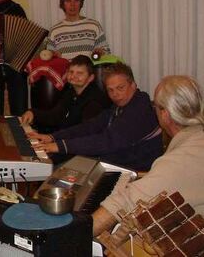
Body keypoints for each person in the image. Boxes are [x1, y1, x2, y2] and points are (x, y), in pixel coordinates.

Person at [93, 75, 204, 236]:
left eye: (156, 107)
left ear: (165, 114)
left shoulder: (181, 159)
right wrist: (140, 176)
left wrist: (73, 238)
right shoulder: (195, 140)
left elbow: (122, 204)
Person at [29, 62, 163, 172]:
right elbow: (91, 126)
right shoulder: (121, 106)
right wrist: (52, 137)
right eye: (110, 90)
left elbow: (107, 141)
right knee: (60, 171)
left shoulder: (139, 109)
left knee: (59, 174)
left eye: (120, 88)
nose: (115, 94)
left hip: (133, 171)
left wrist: (59, 146)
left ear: (133, 85)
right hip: (115, 162)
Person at [20, 55, 110, 132]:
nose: (73, 76)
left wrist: (52, 139)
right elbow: (55, 116)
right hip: (67, 142)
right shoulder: (71, 92)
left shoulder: (94, 101)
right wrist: (33, 113)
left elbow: (84, 133)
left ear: (91, 78)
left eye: (79, 73)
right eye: (71, 72)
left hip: (82, 148)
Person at [45, 0, 111, 60]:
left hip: (88, 70)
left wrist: (101, 52)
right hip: (65, 70)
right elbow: (48, 57)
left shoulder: (94, 26)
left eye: (76, 0)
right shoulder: (54, 30)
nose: (72, 4)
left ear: (81, 3)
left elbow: (107, 52)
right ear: (63, 4)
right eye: (68, 0)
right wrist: (53, 56)